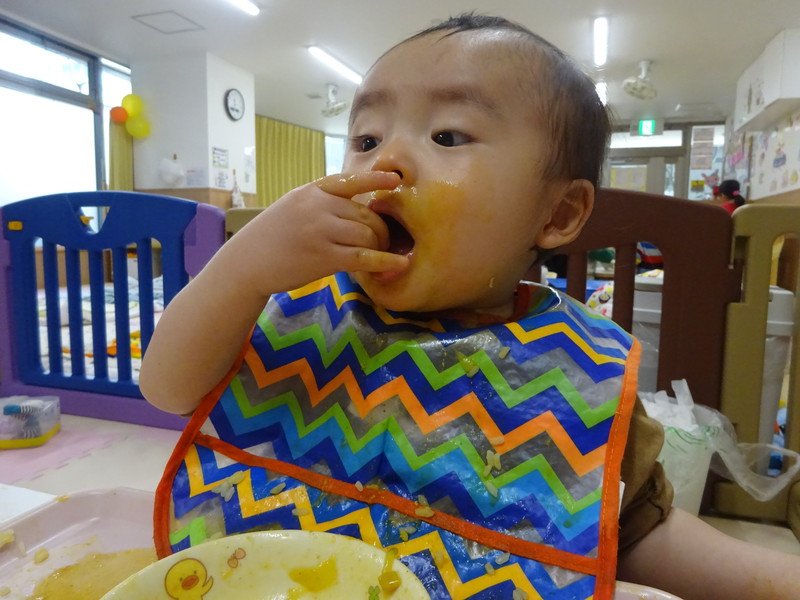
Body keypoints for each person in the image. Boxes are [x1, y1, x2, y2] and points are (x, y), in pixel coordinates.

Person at [140, 14, 800, 600]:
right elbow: (167, 387)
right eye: (366, 139)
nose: (389, 160)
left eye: (449, 136)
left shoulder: (573, 373)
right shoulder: (296, 305)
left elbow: (634, 532)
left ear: (559, 212)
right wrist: (245, 265)